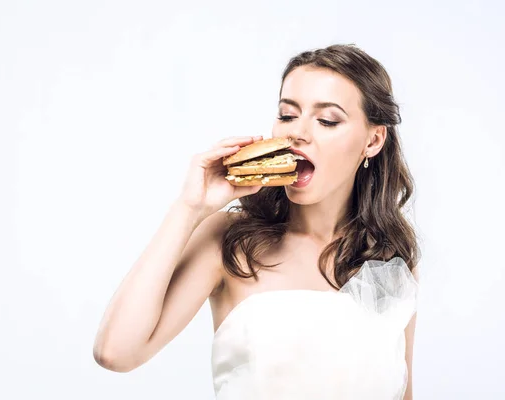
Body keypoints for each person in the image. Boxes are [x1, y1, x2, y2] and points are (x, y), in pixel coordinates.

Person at [93, 43, 420, 400]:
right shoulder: (229, 241)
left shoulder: (392, 256)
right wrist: (190, 207)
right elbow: (116, 353)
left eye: (327, 120)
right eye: (287, 114)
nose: (298, 133)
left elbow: (403, 392)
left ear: (373, 140)